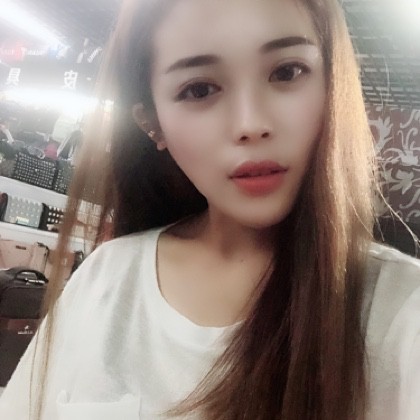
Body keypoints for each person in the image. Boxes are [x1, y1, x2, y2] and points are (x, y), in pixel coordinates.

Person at [1, 0, 420, 419]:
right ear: (153, 123)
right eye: (199, 89)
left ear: (332, 83)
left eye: (287, 72)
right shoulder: (107, 280)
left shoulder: (402, 310)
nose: (250, 124)